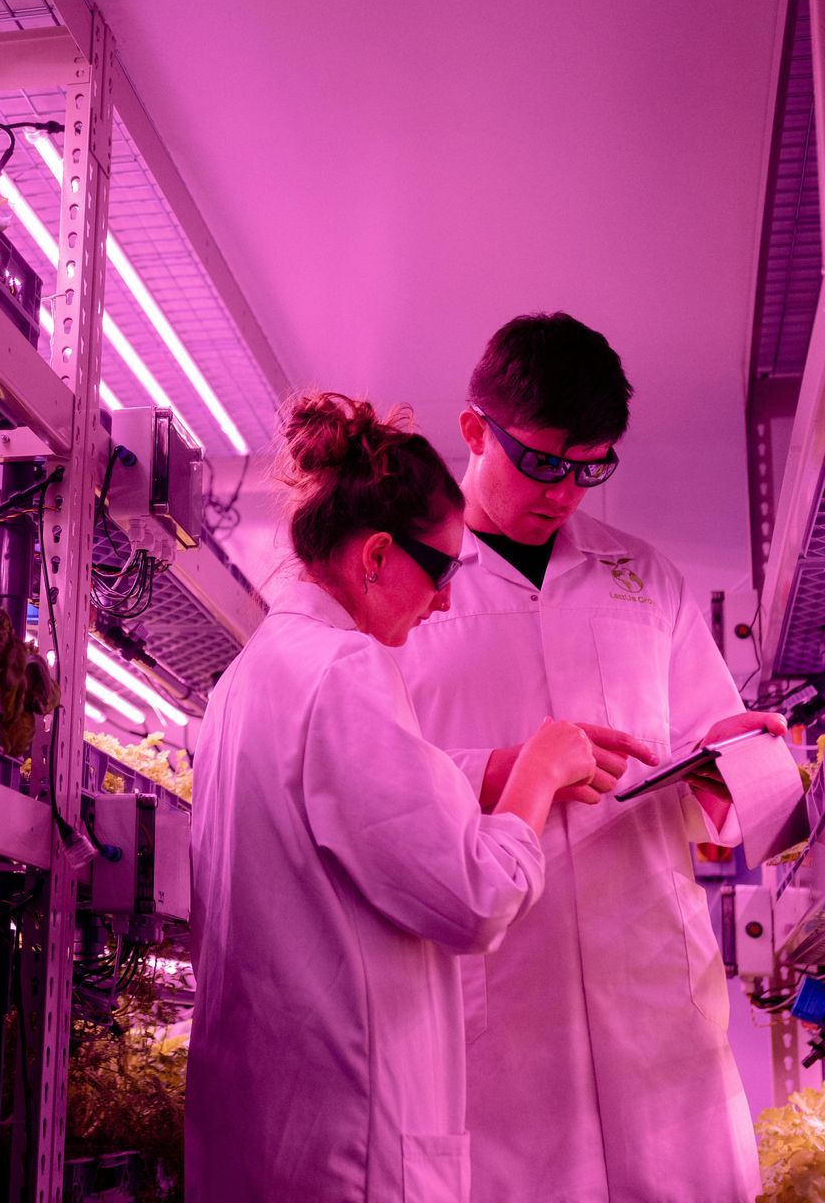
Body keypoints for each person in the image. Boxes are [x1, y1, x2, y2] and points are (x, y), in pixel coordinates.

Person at [393, 313, 793, 1203]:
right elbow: (367, 786)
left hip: (655, 988)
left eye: (591, 467)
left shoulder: (644, 579)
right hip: (494, 996)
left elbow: (707, 741)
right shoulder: (405, 590)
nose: (565, 492)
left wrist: (731, 759)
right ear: (474, 430)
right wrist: (501, 771)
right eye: (541, 462)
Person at [187, 391, 603, 1203]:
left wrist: (484, 768)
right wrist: (540, 773)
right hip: (355, 1150)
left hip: (273, 1143)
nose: (447, 597)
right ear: (376, 556)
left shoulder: (250, 679)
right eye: (441, 568)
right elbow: (474, 897)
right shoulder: (349, 671)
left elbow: (357, 812)